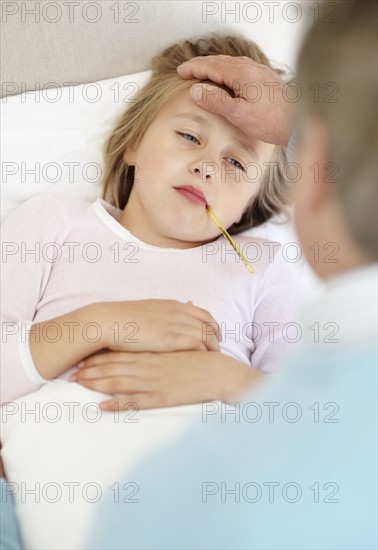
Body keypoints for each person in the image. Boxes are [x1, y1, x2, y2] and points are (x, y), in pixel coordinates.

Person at [85, 1, 378, 549]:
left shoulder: (263, 271)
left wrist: (226, 379)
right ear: (132, 144)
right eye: (190, 138)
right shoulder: (53, 227)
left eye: (239, 163)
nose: (208, 166)